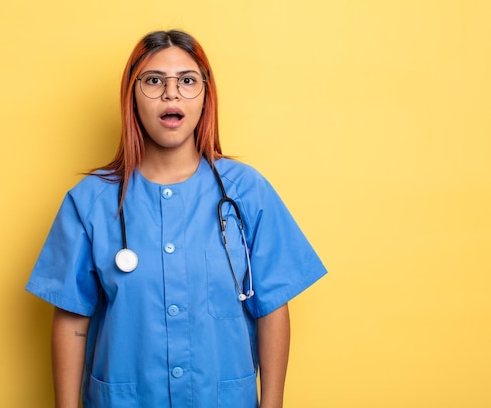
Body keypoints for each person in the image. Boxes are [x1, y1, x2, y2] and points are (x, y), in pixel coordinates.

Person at [26, 29, 327, 408]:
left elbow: (271, 307)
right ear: (131, 97)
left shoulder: (247, 192)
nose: (171, 93)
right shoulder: (89, 202)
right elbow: (71, 320)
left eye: (187, 81)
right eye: (154, 81)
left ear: (205, 96)